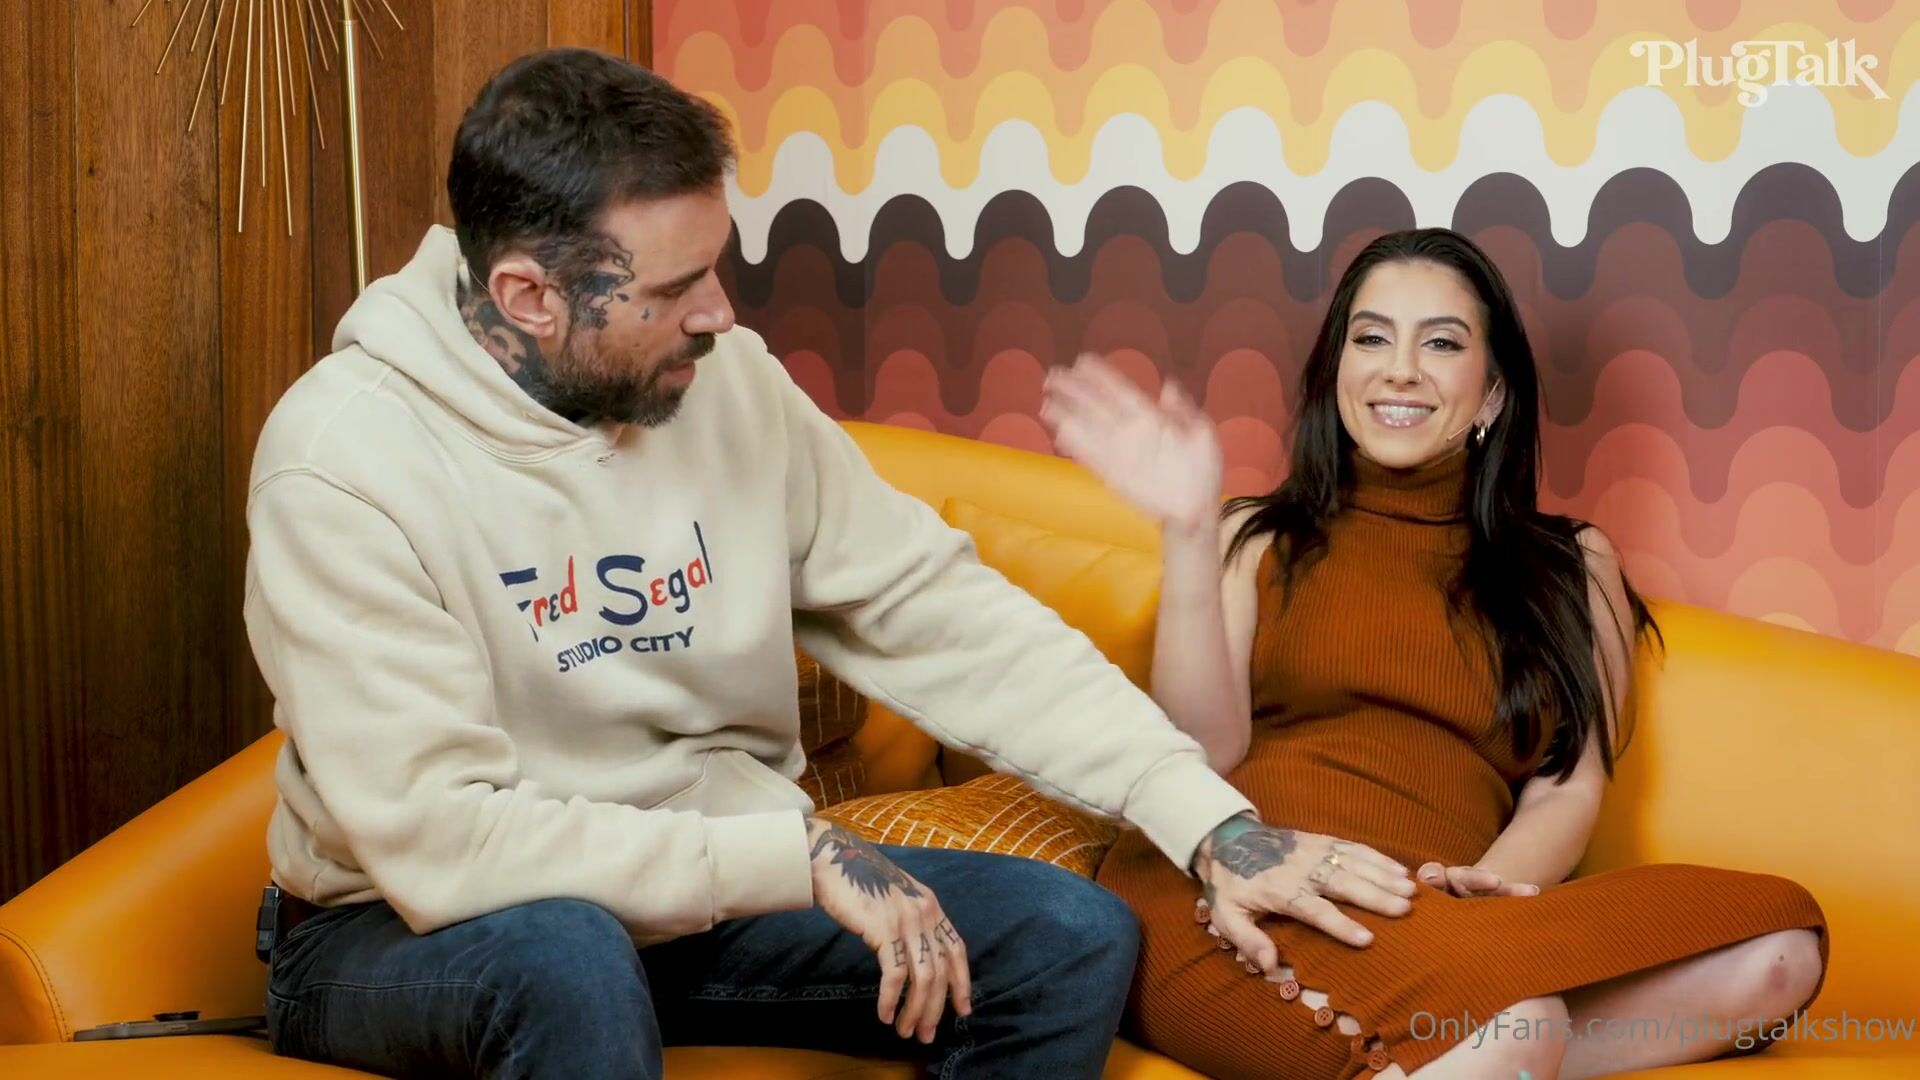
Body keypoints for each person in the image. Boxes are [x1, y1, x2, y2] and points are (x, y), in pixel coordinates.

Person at [241, 47, 1423, 1079]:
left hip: (701, 903)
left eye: (716, 266)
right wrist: (795, 853)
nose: (720, 313)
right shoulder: (343, 461)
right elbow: (442, 844)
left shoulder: (732, 390)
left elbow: (938, 613)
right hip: (406, 933)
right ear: (529, 296)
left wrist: (1208, 823)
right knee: (564, 952)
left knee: (1068, 939)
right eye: (674, 288)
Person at [1041, 227, 1829, 1079]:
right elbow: (1202, 749)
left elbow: (1570, 784)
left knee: (1780, 945)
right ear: (1337, 371)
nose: (1400, 370)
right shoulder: (1252, 534)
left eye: (1442, 344)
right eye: (1371, 338)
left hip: (1438, 906)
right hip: (1249, 879)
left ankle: (1463, 1047)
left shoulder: (1574, 563)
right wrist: (1189, 534)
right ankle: (1484, 1044)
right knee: (1520, 1024)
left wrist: (1477, 889)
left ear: (1492, 393)